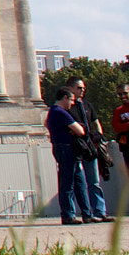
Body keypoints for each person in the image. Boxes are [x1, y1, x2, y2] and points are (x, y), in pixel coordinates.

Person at [46, 86, 89, 225]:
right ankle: (69, 215)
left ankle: (84, 213)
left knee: (78, 181)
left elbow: (46, 124)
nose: (72, 104)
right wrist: (73, 130)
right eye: (71, 100)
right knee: (68, 183)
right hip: (67, 149)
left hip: (60, 147)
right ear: (65, 98)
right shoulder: (60, 112)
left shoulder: (52, 111)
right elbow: (80, 131)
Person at [67, 79, 108, 220]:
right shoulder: (68, 107)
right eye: (79, 87)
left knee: (94, 181)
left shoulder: (87, 105)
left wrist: (99, 138)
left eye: (83, 88)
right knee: (76, 183)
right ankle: (82, 213)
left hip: (90, 148)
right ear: (70, 88)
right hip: (76, 148)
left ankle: (100, 212)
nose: (82, 90)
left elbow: (95, 122)